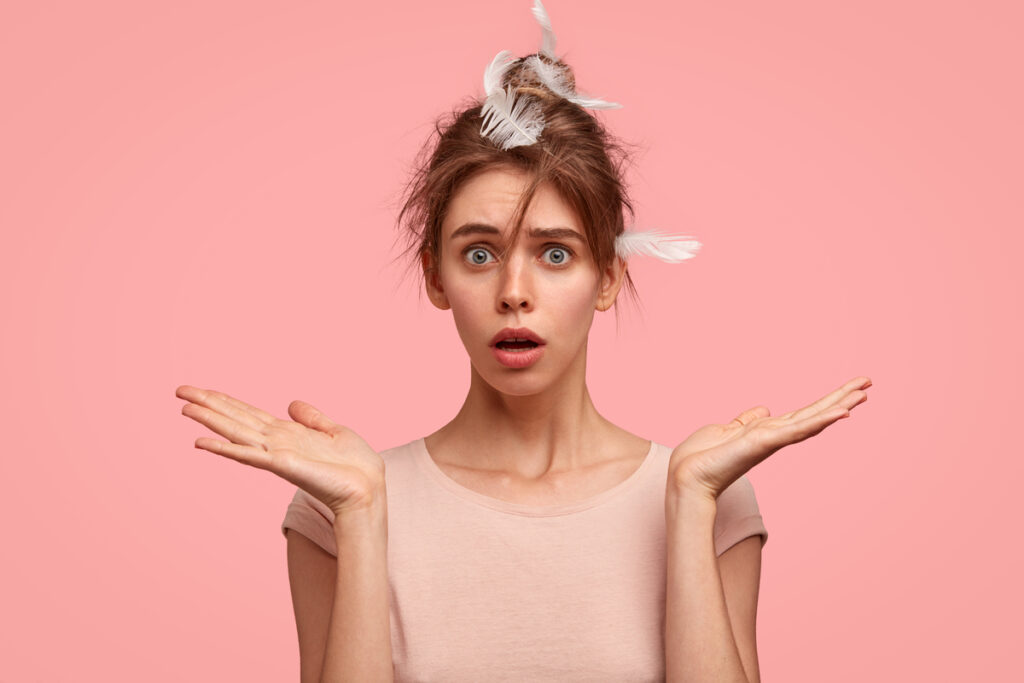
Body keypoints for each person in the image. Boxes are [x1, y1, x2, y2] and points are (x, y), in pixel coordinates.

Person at [175, 2, 871, 681]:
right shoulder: (338, 500)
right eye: (479, 253)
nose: (514, 290)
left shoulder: (713, 496)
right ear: (435, 276)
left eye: (556, 253)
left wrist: (690, 500)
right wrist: (360, 516)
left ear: (607, 275)